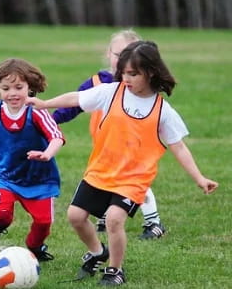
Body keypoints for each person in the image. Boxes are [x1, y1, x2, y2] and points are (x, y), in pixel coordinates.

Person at [27, 41, 218, 285]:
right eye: (124, 73)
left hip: (133, 178)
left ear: (150, 72)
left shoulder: (163, 111)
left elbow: (178, 146)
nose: (126, 78)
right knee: (75, 216)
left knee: (114, 219)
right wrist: (45, 103)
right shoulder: (111, 92)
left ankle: (114, 270)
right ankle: (98, 252)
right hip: (100, 170)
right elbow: (77, 98)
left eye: (133, 73)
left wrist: (200, 178)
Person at [52, 29, 167, 239]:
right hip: (106, 146)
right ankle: (106, 215)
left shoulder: (138, 86)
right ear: (108, 54)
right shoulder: (97, 83)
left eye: (129, 56)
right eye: (118, 55)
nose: (123, 62)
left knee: (133, 183)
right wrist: (51, 120)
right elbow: (74, 104)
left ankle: (153, 222)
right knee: (105, 180)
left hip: (134, 148)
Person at [0, 58, 66, 262]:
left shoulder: (37, 111)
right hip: (6, 174)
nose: (12, 93)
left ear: (29, 86)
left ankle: (35, 246)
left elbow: (56, 136)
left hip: (39, 178)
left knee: (43, 222)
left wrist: (47, 153)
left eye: (18, 87)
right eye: (6, 88)